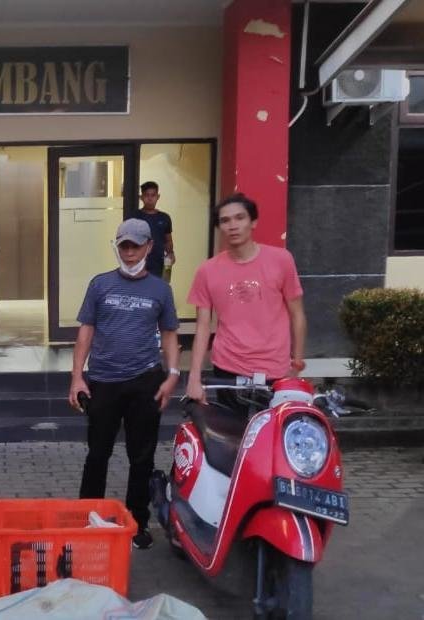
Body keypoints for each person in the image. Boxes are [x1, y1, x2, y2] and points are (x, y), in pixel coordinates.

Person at [69, 218, 180, 550]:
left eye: (135, 246)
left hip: (145, 381)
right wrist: (77, 377)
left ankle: (137, 522)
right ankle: (87, 516)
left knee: (141, 457)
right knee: (97, 454)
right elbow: (86, 331)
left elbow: (170, 334)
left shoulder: (161, 290)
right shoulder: (100, 285)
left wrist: (173, 374)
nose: (129, 252)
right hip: (103, 382)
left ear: (149, 247)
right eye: (124, 246)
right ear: (117, 247)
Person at [186, 193, 307, 406]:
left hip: (276, 368)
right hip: (228, 368)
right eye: (225, 221)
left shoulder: (281, 260)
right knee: (231, 427)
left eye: (240, 218)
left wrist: (296, 363)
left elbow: (297, 313)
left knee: (275, 427)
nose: (233, 226)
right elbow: (203, 327)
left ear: (253, 222)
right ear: (219, 228)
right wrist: (194, 378)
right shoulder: (207, 271)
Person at [133, 181, 175, 280]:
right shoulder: (134, 216)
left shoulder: (165, 218)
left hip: (158, 264)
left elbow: (168, 240)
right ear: (141, 197)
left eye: (153, 195)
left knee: (158, 287)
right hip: (138, 263)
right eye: (147, 195)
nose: (150, 198)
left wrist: (171, 254)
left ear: (158, 196)